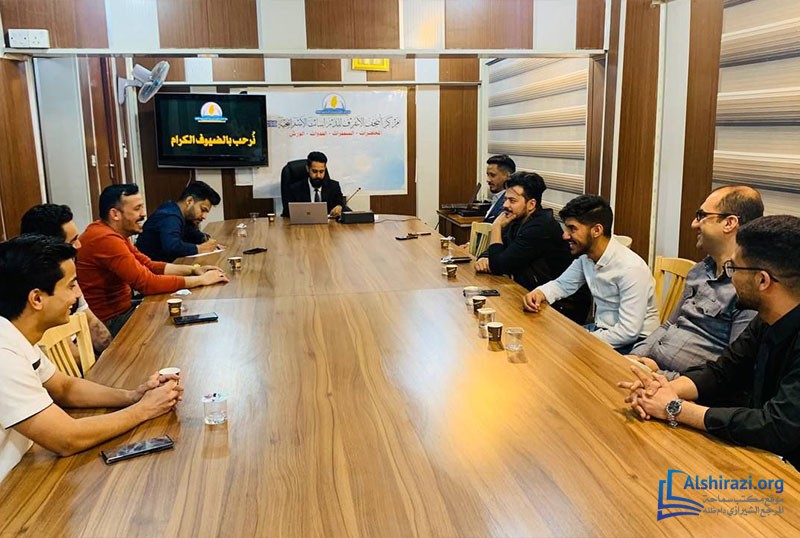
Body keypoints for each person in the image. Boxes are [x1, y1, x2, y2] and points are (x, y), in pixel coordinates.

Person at [618, 215, 800, 468]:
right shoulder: (766, 318)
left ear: (762, 280)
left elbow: (777, 426)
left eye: (734, 268)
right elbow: (723, 370)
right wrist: (665, 390)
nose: (730, 277)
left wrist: (675, 408)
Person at [0, 234, 183, 482]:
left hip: (24, 466)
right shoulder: (4, 355)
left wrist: (133, 396)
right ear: (37, 299)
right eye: (71, 285)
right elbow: (65, 438)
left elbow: (64, 387)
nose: (78, 294)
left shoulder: (15, 335)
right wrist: (144, 409)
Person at [628, 186, 763, 378]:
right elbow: (668, 324)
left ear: (729, 223)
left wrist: (659, 375)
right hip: (650, 371)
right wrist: (636, 357)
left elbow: (733, 372)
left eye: (701, 216)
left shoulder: (747, 288)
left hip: (678, 387)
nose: (693, 224)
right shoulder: (699, 271)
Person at [77, 184, 229, 336]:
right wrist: (201, 280)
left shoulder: (113, 233)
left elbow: (148, 265)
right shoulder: (105, 239)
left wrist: (194, 270)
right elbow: (147, 283)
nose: (144, 214)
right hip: (111, 321)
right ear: (115, 214)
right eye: (137, 209)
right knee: (181, 330)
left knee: (185, 313)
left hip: (125, 308)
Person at [523, 194, 659, 353]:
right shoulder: (587, 257)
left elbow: (628, 332)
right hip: (602, 330)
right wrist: (540, 293)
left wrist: (581, 339)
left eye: (572, 228)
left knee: (558, 353)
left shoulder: (631, 269)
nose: (565, 235)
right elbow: (562, 284)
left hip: (635, 344)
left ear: (596, 230)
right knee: (542, 342)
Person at [475, 172, 591, 323]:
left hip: (561, 306)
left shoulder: (540, 227)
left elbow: (498, 266)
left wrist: (496, 226)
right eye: (505, 199)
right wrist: (485, 257)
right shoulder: (517, 220)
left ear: (531, 204)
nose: (505, 205)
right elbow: (498, 248)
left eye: (512, 200)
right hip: (532, 295)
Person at [20, 204, 112, 356]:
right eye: (72, 241)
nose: (79, 245)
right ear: (50, 247)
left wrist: (113, 353)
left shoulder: (67, 274)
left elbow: (91, 321)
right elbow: (64, 352)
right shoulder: (39, 288)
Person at [136, 181, 222, 262]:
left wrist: (204, 239)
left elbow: (191, 232)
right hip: (148, 269)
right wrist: (200, 248)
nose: (204, 216)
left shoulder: (180, 214)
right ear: (189, 201)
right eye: (203, 210)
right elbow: (172, 247)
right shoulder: (170, 216)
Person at [281, 151, 346, 218]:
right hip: (302, 224)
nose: (318, 175)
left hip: (328, 224)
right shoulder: (295, 189)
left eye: (321, 171)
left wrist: (340, 207)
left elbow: (343, 207)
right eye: (314, 171)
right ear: (307, 169)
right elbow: (286, 214)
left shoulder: (334, 187)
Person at [483, 155, 516, 223]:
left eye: (493, 175)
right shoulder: (497, 197)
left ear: (508, 176)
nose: (488, 180)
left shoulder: (509, 204)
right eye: (488, 175)